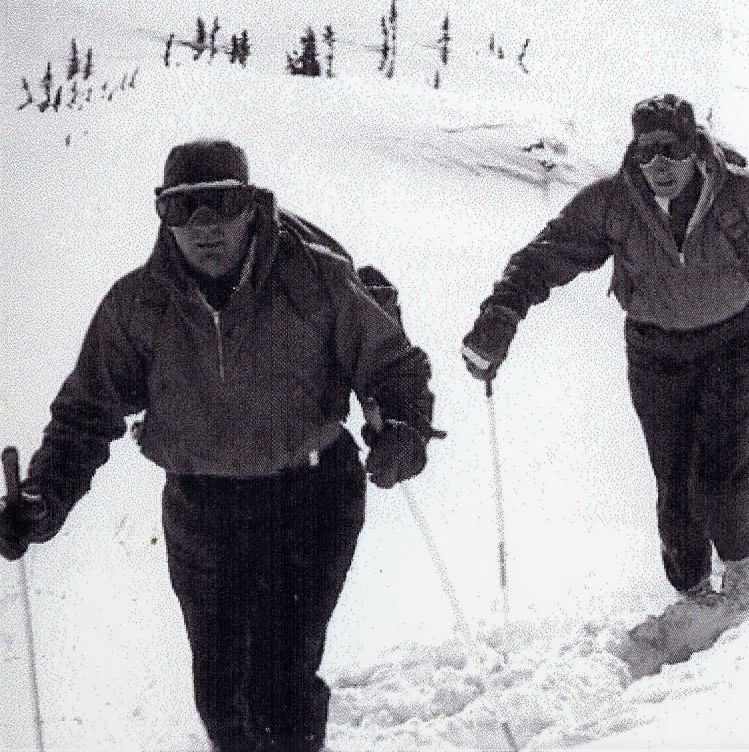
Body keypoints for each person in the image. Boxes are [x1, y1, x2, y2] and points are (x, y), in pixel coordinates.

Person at [0, 139, 433, 752]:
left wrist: (404, 431)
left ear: (251, 206)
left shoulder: (317, 280)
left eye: (220, 206)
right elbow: (84, 414)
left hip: (311, 500)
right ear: (162, 216)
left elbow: (392, 363)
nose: (204, 228)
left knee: (282, 684)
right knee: (222, 698)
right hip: (202, 510)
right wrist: (45, 497)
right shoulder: (139, 306)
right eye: (182, 210)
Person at [461, 94, 749, 604]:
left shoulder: (740, 194)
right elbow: (547, 254)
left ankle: (743, 575)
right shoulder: (612, 203)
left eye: (671, 149)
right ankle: (693, 594)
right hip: (655, 352)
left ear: (695, 147)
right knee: (674, 479)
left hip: (735, 338)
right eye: (646, 152)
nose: (657, 165)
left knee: (723, 470)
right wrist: (502, 312)